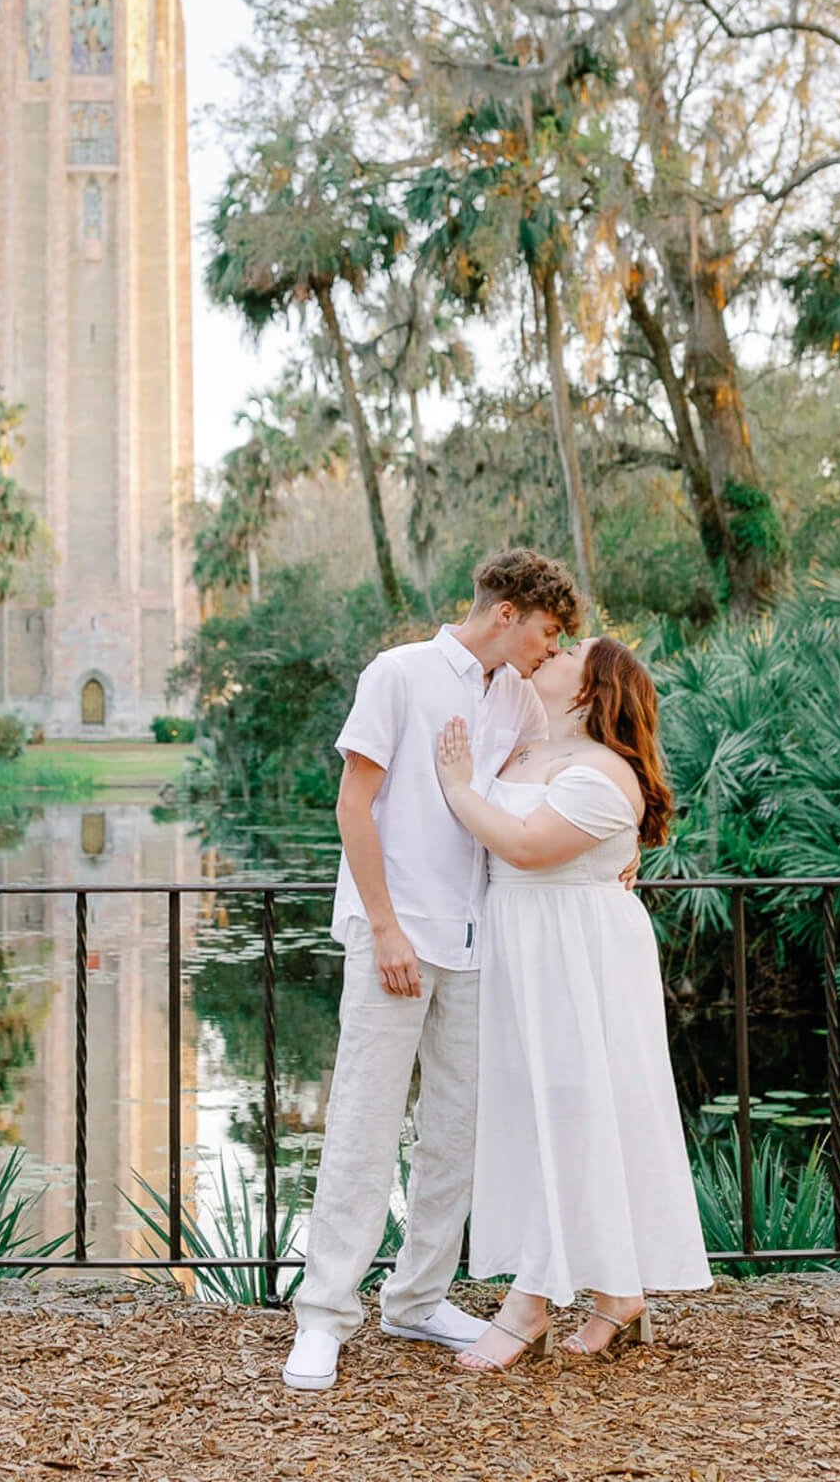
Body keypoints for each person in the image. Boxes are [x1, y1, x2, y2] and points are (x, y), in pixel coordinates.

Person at [282, 548, 583, 1394]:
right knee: (364, 1125)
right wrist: (383, 927)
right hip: (398, 935)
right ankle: (324, 1317)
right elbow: (355, 803)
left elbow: (543, 787)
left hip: (477, 939)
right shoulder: (400, 674)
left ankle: (416, 1298)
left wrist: (613, 850)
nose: (551, 651)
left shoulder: (518, 696)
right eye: (547, 632)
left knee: (455, 1133)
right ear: (506, 615)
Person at [433, 635, 712, 1371]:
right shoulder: (525, 750)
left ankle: (529, 1304)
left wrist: (461, 791)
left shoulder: (602, 771)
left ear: (591, 690)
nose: (546, 653)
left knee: (570, 1112)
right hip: (519, 948)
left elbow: (527, 846)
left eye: (566, 652)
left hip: (575, 958)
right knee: (533, 1118)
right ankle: (619, 1297)